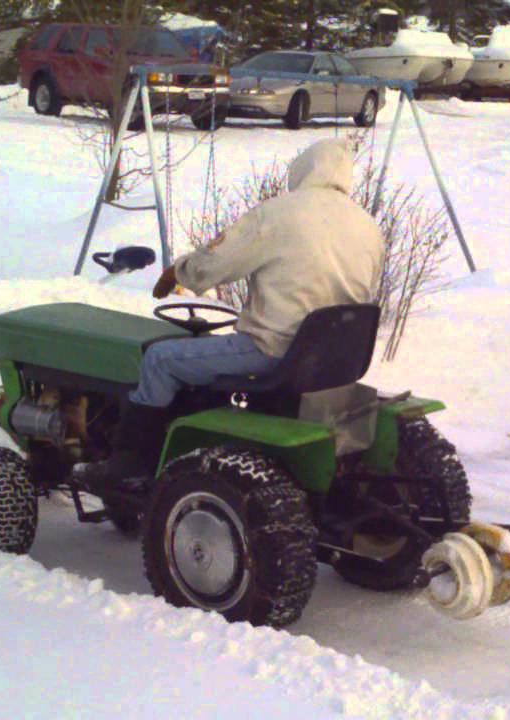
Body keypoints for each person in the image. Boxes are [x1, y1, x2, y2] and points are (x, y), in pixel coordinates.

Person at [78, 139, 385, 491]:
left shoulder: (280, 213)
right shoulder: (368, 227)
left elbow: (216, 264)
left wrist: (181, 272)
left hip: (273, 351)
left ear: (302, 169)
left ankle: (128, 464)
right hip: (332, 361)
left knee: (159, 359)